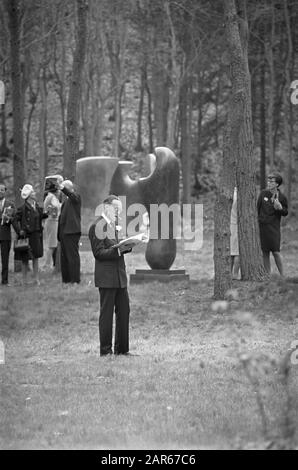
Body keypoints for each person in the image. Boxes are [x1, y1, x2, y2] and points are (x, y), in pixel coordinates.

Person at [88, 195, 134, 356]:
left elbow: (116, 248)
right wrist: (119, 250)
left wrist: (128, 245)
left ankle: (122, 349)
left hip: (120, 276)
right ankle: (105, 351)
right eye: (116, 208)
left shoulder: (113, 225)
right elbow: (99, 253)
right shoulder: (97, 226)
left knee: (124, 311)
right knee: (106, 315)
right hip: (106, 278)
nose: (118, 212)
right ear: (106, 207)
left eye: (119, 209)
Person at [13, 184, 48, 285]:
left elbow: (40, 216)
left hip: (36, 235)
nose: (34, 193)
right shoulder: (22, 208)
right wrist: (19, 230)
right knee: (25, 259)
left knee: (35, 257)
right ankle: (24, 281)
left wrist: (47, 213)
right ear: (28, 195)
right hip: (26, 236)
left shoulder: (36, 206)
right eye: (32, 192)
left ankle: (36, 279)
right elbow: (14, 220)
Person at [257, 173, 288, 276]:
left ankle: (283, 276)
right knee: (264, 252)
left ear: (277, 184)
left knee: (276, 252)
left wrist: (279, 208)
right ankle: (267, 275)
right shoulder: (263, 194)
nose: (269, 183)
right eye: (268, 181)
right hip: (262, 227)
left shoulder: (282, 197)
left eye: (271, 181)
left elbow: (285, 212)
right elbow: (257, 209)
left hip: (274, 228)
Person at [57, 179, 81, 284]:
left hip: (72, 232)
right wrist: (59, 234)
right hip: (64, 232)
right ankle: (66, 279)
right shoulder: (65, 201)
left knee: (72, 256)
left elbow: (72, 196)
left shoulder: (75, 197)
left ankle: (75, 279)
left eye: (63, 188)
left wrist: (62, 188)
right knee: (64, 257)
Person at [42, 181, 62, 270]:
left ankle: (50, 263)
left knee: (53, 243)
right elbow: (53, 208)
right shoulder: (51, 197)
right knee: (52, 244)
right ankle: (47, 264)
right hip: (52, 221)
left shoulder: (52, 197)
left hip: (54, 221)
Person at [0, 183, 15, 286]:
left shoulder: (10, 204)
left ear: (5, 191)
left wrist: (9, 218)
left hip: (5, 235)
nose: (0, 192)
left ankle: (5, 281)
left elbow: (14, 220)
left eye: (2, 190)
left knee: (5, 259)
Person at [230, 187, 240, 279]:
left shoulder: (228, 193)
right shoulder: (238, 195)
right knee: (236, 251)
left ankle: (231, 273)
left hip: (230, 224)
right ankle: (235, 274)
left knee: (231, 251)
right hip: (235, 224)